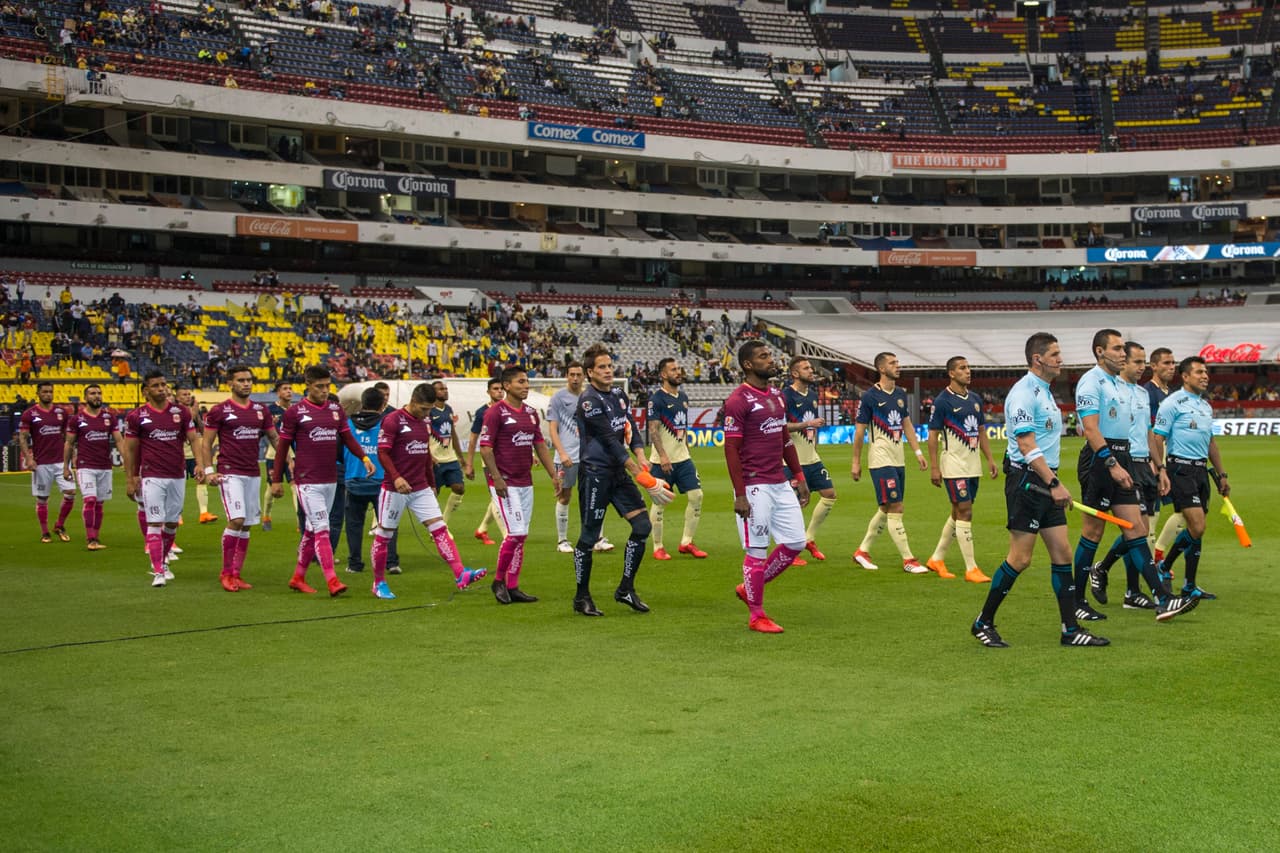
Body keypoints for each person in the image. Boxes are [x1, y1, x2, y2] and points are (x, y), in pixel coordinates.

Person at [969, 333, 1110, 648]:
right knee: (1020, 559)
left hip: (1045, 481)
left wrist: (1054, 480)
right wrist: (1054, 482)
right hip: (1028, 482)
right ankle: (983, 621)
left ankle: (1070, 630)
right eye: (1055, 354)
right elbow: (1025, 444)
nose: (1061, 359)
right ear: (1038, 359)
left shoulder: (1045, 391)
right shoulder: (1023, 392)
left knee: (1062, 553)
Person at [1069, 329, 1191, 624]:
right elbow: (1091, 429)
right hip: (1101, 459)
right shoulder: (1091, 381)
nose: (1122, 353)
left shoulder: (1121, 385)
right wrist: (1111, 462)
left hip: (1121, 456)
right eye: (1117, 348)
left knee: (1135, 527)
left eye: (1124, 348)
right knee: (1093, 532)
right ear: (1100, 351)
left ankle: (1163, 597)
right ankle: (1076, 601)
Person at [571, 344, 673, 616]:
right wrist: (642, 476)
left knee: (642, 526)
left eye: (609, 365)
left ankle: (625, 588)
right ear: (590, 372)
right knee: (589, 536)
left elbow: (630, 430)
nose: (607, 371)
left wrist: (641, 457)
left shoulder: (618, 394)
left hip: (617, 472)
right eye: (601, 367)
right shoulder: (589, 401)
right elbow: (609, 441)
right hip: (596, 473)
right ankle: (581, 597)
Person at [725, 341, 811, 633]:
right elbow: (731, 450)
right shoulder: (738, 400)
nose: (771, 360)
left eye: (770, 355)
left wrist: (798, 476)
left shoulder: (776, 395)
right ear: (748, 365)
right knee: (757, 550)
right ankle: (756, 615)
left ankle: (750, 587)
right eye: (764, 356)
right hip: (754, 487)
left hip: (780, 481)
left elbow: (784, 438)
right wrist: (740, 494)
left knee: (796, 542)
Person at [373, 383, 487, 600]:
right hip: (394, 488)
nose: (427, 413)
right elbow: (383, 453)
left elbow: (425, 453)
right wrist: (396, 478)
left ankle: (460, 573)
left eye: (429, 409)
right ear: (413, 401)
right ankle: (379, 583)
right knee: (384, 535)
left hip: (420, 487)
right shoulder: (393, 420)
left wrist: (431, 482)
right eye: (424, 409)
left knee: (439, 529)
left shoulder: (423, 421)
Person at [271, 365, 374, 597]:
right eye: (319, 387)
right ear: (307, 386)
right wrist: (277, 480)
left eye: (328, 386)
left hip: (330, 479)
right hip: (307, 481)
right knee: (322, 529)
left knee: (311, 531)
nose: (325, 390)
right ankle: (332, 580)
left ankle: (298, 577)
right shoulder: (295, 413)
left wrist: (364, 457)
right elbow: (282, 449)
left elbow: (348, 437)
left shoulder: (336, 410)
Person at [479, 366, 561, 603]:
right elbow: (485, 448)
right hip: (505, 482)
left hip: (525, 481)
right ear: (506, 386)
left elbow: (540, 445)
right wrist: (497, 477)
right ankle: (498, 581)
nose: (526, 386)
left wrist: (553, 475)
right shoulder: (495, 413)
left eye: (527, 382)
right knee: (516, 532)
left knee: (521, 536)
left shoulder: (532, 413)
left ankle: (513, 586)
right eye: (520, 382)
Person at [1087, 342, 1159, 608]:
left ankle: (1129, 589)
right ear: (1124, 362)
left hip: (1142, 463)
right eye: (1137, 362)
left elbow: (1148, 430)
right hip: (1122, 461)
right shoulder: (1111, 389)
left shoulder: (1142, 393)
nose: (1142, 368)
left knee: (1138, 529)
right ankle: (1131, 586)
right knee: (1136, 529)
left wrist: (1158, 465)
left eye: (1144, 362)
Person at [1151, 355, 1228, 600]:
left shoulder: (1206, 406)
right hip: (1180, 469)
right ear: (1185, 377)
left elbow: (1211, 443)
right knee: (1197, 525)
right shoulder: (1173, 403)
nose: (1205, 376)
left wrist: (1222, 474)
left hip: (1200, 471)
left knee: (1197, 530)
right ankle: (1163, 566)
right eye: (1199, 372)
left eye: (1206, 372)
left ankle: (1189, 585)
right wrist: (1160, 469)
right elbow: (1157, 438)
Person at [124, 371, 207, 588]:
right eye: (156, 386)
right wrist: (131, 478)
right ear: (146, 391)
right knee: (154, 521)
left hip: (177, 474)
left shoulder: (181, 413)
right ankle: (158, 570)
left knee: (171, 523)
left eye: (163, 385)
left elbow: (194, 439)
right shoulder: (137, 416)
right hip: (151, 476)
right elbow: (130, 450)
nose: (161, 389)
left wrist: (199, 464)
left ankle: (163, 561)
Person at [203, 365, 280, 592]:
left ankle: (237, 574)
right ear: (230, 384)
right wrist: (209, 470)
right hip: (230, 471)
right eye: (241, 380)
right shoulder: (220, 410)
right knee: (236, 520)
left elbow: (274, 437)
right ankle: (225, 573)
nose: (246, 384)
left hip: (252, 472)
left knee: (246, 525)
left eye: (249, 380)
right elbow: (206, 442)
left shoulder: (260, 410)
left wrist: (290, 460)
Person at [850, 352, 928, 573]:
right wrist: (856, 461)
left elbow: (907, 425)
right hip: (880, 458)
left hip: (898, 458)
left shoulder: (901, 394)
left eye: (897, 362)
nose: (898, 366)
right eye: (893, 363)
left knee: (885, 508)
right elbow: (859, 431)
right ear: (882, 369)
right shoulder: (869, 397)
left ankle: (862, 551)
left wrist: (918, 452)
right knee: (896, 506)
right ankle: (908, 560)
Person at [925, 356, 998, 582]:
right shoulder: (943, 401)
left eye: (968, 367)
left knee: (958, 512)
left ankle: (936, 558)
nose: (968, 371)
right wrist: (935, 467)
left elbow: (982, 431)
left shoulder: (975, 399)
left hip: (972, 464)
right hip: (953, 465)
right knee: (965, 510)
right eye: (962, 368)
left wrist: (990, 459)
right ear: (951, 373)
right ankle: (971, 568)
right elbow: (933, 436)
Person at [547, 362, 615, 554]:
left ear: (584, 376)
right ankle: (562, 541)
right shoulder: (558, 398)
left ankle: (598, 538)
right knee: (564, 496)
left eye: (578, 375)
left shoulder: (591, 396)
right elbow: (552, 428)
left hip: (590, 455)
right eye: (571, 375)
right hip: (567, 455)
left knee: (595, 496)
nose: (575, 378)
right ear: (566, 376)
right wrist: (561, 452)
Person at [647, 358, 707, 561]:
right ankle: (658, 546)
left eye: (679, 368)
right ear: (663, 375)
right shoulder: (656, 399)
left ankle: (687, 542)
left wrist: (687, 450)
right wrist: (663, 455)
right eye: (673, 369)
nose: (678, 372)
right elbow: (653, 430)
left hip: (683, 459)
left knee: (697, 496)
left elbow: (682, 428)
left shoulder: (683, 396)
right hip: (661, 461)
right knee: (659, 502)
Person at [782, 356, 834, 564]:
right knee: (793, 505)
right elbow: (781, 426)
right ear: (795, 374)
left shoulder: (812, 395)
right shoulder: (785, 395)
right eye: (805, 368)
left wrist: (815, 443)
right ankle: (788, 550)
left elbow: (813, 427)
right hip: (792, 460)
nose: (811, 371)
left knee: (829, 495)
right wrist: (808, 424)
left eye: (810, 367)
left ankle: (808, 538)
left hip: (813, 459)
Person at [62, 383, 125, 550]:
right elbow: (69, 444)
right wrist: (66, 467)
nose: (96, 396)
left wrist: (127, 460)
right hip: (85, 466)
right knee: (90, 500)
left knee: (100, 503)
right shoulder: (77, 419)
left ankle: (96, 536)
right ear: (85, 398)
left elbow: (119, 440)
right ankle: (90, 539)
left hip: (105, 466)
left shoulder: (109, 418)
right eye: (92, 393)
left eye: (98, 393)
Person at [344, 386, 398, 576]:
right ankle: (391, 562)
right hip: (382, 480)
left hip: (354, 478)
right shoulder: (388, 423)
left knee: (354, 525)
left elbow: (340, 450)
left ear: (362, 402)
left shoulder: (348, 423)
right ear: (383, 404)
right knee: (388, 523)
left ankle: (355, 563)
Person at [19, 381, 75, 543]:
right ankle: (45, 532)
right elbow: (23, 437)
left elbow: (68, 436)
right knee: (42, 498)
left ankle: (59, 525)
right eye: (44, 392)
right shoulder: (29, 414)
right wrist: (29, 458)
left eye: (50, 391)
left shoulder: (61, 412)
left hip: (61, 462)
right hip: (41, 462)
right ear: (38, 393)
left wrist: (73, 454)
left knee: (70, 493)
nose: (48, 394)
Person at [1144, 347, 1185, 561]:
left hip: (1173, 460)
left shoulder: (1174, 395)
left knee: (1185, 511)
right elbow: (1147, 431)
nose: (1171, 367)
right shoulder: (1147, 393)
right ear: (1153, 366)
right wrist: (1154, 462)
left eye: (1173, 363)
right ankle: (1152, 568)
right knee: (1153, 515)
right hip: (1155, 461)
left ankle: (1159, 552)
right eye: (1166, 363)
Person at [465, 378, 507, 546]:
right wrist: (469, 463)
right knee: (499, 497)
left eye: (501, 388)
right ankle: (507, 536)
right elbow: (474, 437)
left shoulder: (508, 409)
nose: (499, 391)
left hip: (508, 460)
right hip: (490, 461)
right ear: (488, 392)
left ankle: (482, 529)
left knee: (499, 497)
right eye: (495, 389)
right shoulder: (483, 412)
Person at [177, 385, 217, 525]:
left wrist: (197, 417)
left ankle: (204, 513)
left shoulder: (194, 411)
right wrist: (191, 415)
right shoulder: (174, 413)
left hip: (194, 454)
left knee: (201, 480)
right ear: (177, 398)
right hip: (179, 454)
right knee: (178, 485)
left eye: (189, 394)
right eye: (184, 394)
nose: (187, 396)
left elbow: (202, 430)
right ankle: (177, 515)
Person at [429, 380, 467, 523]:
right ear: (433, 392)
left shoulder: (448, 409)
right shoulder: (429, 411)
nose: (445, 391)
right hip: (435, 458)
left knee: (459, 488)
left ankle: (443, 522)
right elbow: (422, 434)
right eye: (441, 389)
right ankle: (434, 526)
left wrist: (460, 456)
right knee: (433, 494)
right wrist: (429, 455)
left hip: (450, 458)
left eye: (445, 388)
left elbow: (452, 433)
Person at [261, 381, 296, 531]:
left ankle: (300, 521)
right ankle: (266, 516)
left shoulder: (296, 410)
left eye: (290, 389)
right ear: (278, 393)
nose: (289, 391)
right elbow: (266, 433)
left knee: (296, 487)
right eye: (285, 389)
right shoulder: (270, 411)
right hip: (273, 455)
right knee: (272, 489)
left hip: (293, 455)